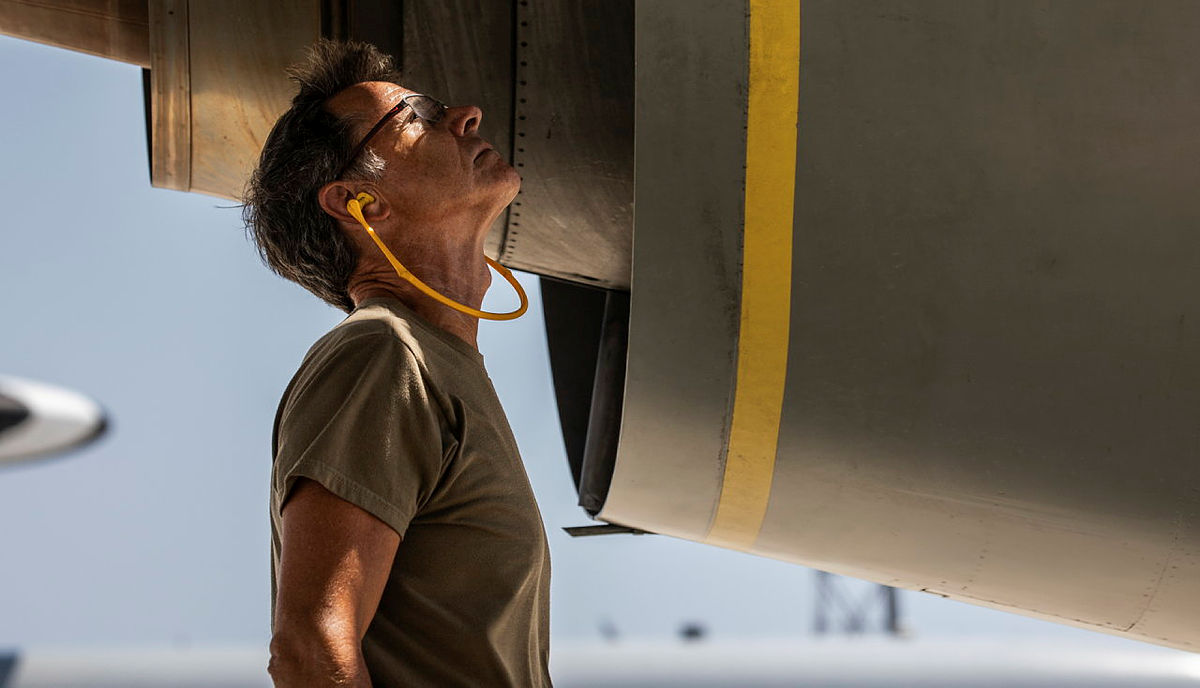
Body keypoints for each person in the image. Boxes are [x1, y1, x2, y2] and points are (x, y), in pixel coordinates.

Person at [242, 40, 551, 687]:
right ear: (359, 202)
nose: (465, 115)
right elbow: (309, 648)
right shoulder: (383, 352)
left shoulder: (431, 363)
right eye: (419, 117)